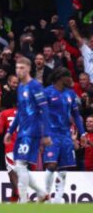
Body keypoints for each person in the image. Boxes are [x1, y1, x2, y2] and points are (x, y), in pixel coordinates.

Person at [4, 57, 52, 203]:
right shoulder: (20, 87)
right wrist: (10, 131)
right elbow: (20, 112)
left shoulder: (35, 86)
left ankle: (24, 202)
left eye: (22, 68)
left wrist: (47, 134)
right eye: (17, 67)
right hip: (22, 131)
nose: (19, 70)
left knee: (20, 165)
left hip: (32, 131)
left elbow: (45, 110)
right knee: (19, 166)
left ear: (29, 69)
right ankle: (41, 193)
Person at [43, 67, 85, 203]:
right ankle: (46, 196)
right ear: (62, 77)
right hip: (51, 134)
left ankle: (57, 202)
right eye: (69, 78)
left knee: (63, 168)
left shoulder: (71, 94)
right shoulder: (47, 92)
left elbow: (76, 116)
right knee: (51, 165)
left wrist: (83, 133)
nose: (72, 81)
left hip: (66, 135)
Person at [0, 101, 19, 202]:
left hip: (11, 148)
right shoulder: (27, 113)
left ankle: (24, 196)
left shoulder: (5, 113)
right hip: (24, 149)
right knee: (14, 179)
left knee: (12, 175)